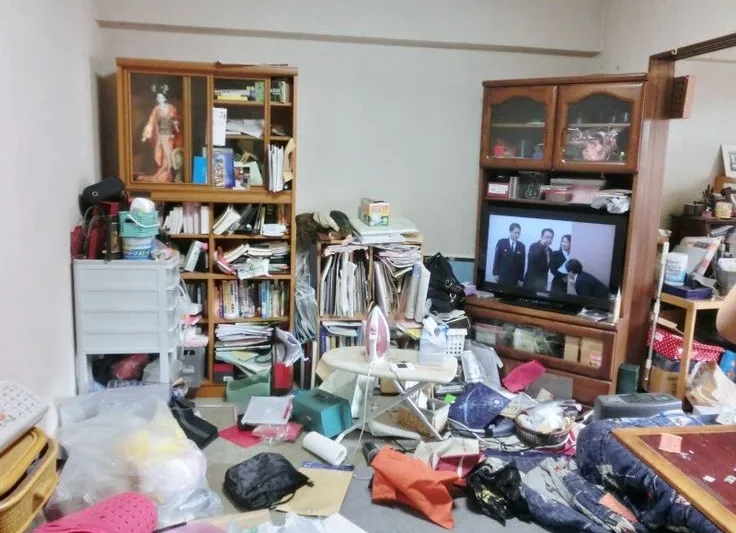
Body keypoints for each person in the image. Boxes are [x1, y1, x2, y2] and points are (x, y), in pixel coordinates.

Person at [140, 85, 181, 183]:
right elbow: (151, 122)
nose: (159, 99)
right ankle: (164, 176)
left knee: (169, 156)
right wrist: (145, 135)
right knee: (163, 156)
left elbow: (176, 119)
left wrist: (176, 126)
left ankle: (168, 175)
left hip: (170, 136)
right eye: (158, 97)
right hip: (161, 135)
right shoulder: (156, 109)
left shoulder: (171, 108)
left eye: (161, 97)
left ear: (165, 97)